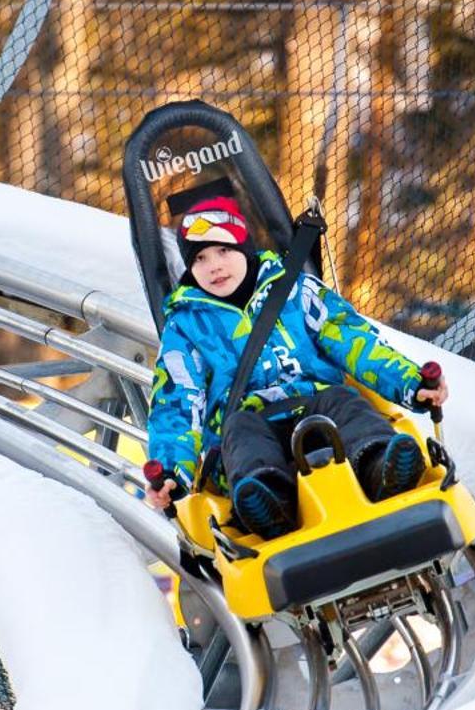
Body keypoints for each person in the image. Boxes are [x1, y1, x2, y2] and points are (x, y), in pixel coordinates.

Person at [144, 195, 448, 538]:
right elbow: (177, 401)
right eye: (199, 258)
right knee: (240, 428)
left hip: (316, 405)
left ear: (245, 249)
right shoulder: (186, 326)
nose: (213, 265)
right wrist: (171, 471)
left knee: (344, 401)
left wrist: (410, 382)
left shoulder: (295, 292)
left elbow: (353, 341)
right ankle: (268, 502)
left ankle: (380, 465)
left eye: (224, 250)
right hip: (249, 425)